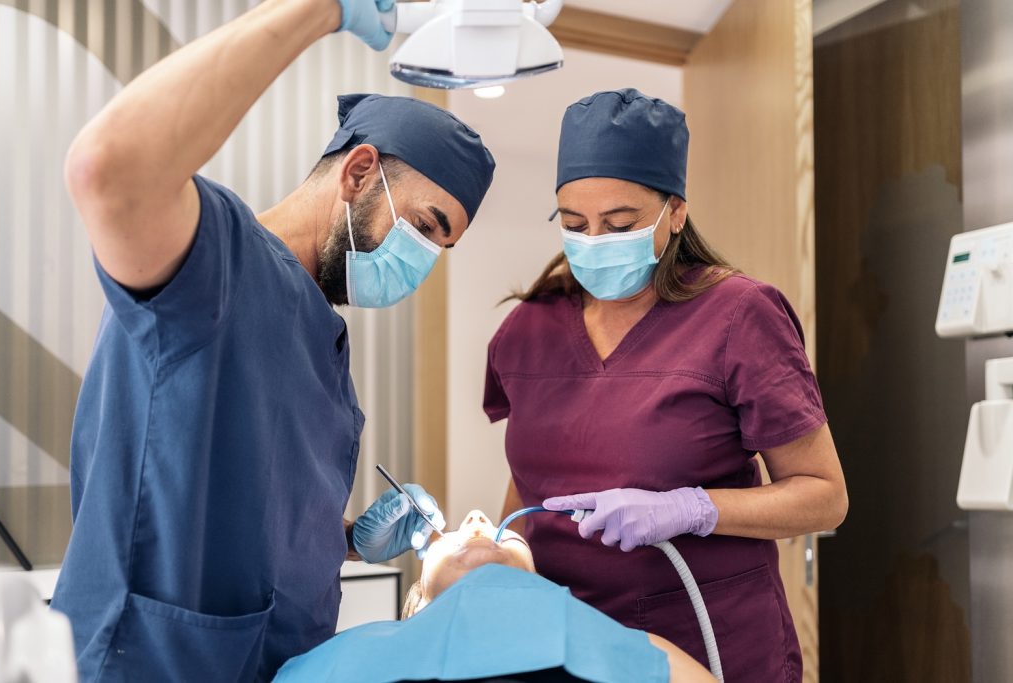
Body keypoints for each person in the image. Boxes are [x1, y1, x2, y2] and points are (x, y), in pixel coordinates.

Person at [51, 1, 495, 681]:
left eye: (443, 245)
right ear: (358, 172)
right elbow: (106, 169)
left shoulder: (324, 342)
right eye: (426, 227)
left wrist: (350, 538)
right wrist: (320, 9)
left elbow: (248, 527)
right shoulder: (214, 263)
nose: (426, 259)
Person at [484, 89, 848, 682]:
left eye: (620, 224)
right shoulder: (529, 328)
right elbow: (530, 485)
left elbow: (824, 495)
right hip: (567, 645)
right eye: (574, 225)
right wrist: (493, 563)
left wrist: (690, 509)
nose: (594, 240)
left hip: (710, 641)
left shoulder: (739, 315)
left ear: (674, 212)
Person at [274, 510, 717, 683]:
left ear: (539, 581)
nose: (477, 519)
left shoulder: (641, 649)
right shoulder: (341, 656)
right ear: (417, 606)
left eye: (505, 532)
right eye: (453, 532)